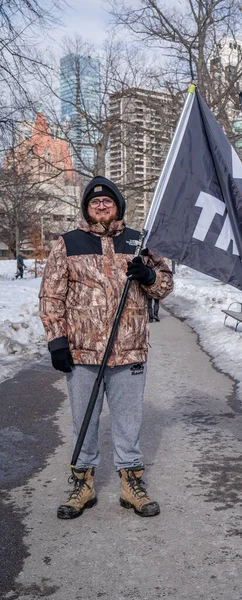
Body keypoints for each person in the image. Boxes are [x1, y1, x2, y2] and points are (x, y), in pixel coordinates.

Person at [39, 176, 173, 520]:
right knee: (84, 419)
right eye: (94, 201)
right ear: (86, 208)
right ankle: (83, 484)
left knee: (129, 421)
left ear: (119, 206)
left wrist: (148, 276)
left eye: (108, 201)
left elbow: (165, 285)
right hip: (82, 353)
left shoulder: (139, 242)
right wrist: (57, 341)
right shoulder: (67, 243)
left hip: (129, 351)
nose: (101, 205)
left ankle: (131, 485)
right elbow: (52, 295)